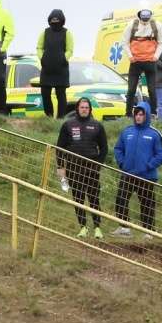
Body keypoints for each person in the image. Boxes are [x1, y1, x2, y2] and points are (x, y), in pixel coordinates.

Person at [56, 97, 108, 239]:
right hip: (74, 170)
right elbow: (59, 148)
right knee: (78, 199)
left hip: (92, 170)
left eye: (86, 107)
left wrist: (98, 165)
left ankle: (97, 227)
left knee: (94, 199)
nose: (84, 109)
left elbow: (104, 148)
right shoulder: (68, 125)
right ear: (77, 109)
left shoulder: (97, 125)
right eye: (82, 107)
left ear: (90, 109)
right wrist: (60, 167)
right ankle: (83, 227)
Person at [111, 101, 162, 237]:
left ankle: (148, 231)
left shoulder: (154, 134)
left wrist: (148, 165)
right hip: (128, 173)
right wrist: (122, 163)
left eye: (141, 114)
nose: (138, 117)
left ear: (146, 115)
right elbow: (118, 149)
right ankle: (124, 228)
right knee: (121, 199)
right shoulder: (127, 132)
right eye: (137, 114)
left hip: (147, 176)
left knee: (147, 204)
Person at [121, 5, 162, 119]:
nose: (145, 21)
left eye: (147, 18)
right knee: (131, 89)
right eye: (143, 18)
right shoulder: (132, 24)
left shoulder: (157, 25)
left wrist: (156, 56)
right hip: (135, 62)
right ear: (139, 15)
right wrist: (130, 56)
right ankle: (128, 114)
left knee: (152, 90)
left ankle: (154, 113)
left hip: (150, 61)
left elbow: (161, 42)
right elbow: (124, 42)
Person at [37, 9, 74, 118]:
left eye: (57, 19)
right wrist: (42, 58)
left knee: (61, 94)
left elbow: (70, 50)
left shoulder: (67, 33)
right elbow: (39, 47)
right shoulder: (45, 32)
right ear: (49, 20)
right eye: (53, 19)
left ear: (62, 20)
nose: (55, 21)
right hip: (46, 69)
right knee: (45, 94)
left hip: (61, 69)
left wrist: (63, 58)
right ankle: (49, 117)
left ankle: (60, 118)